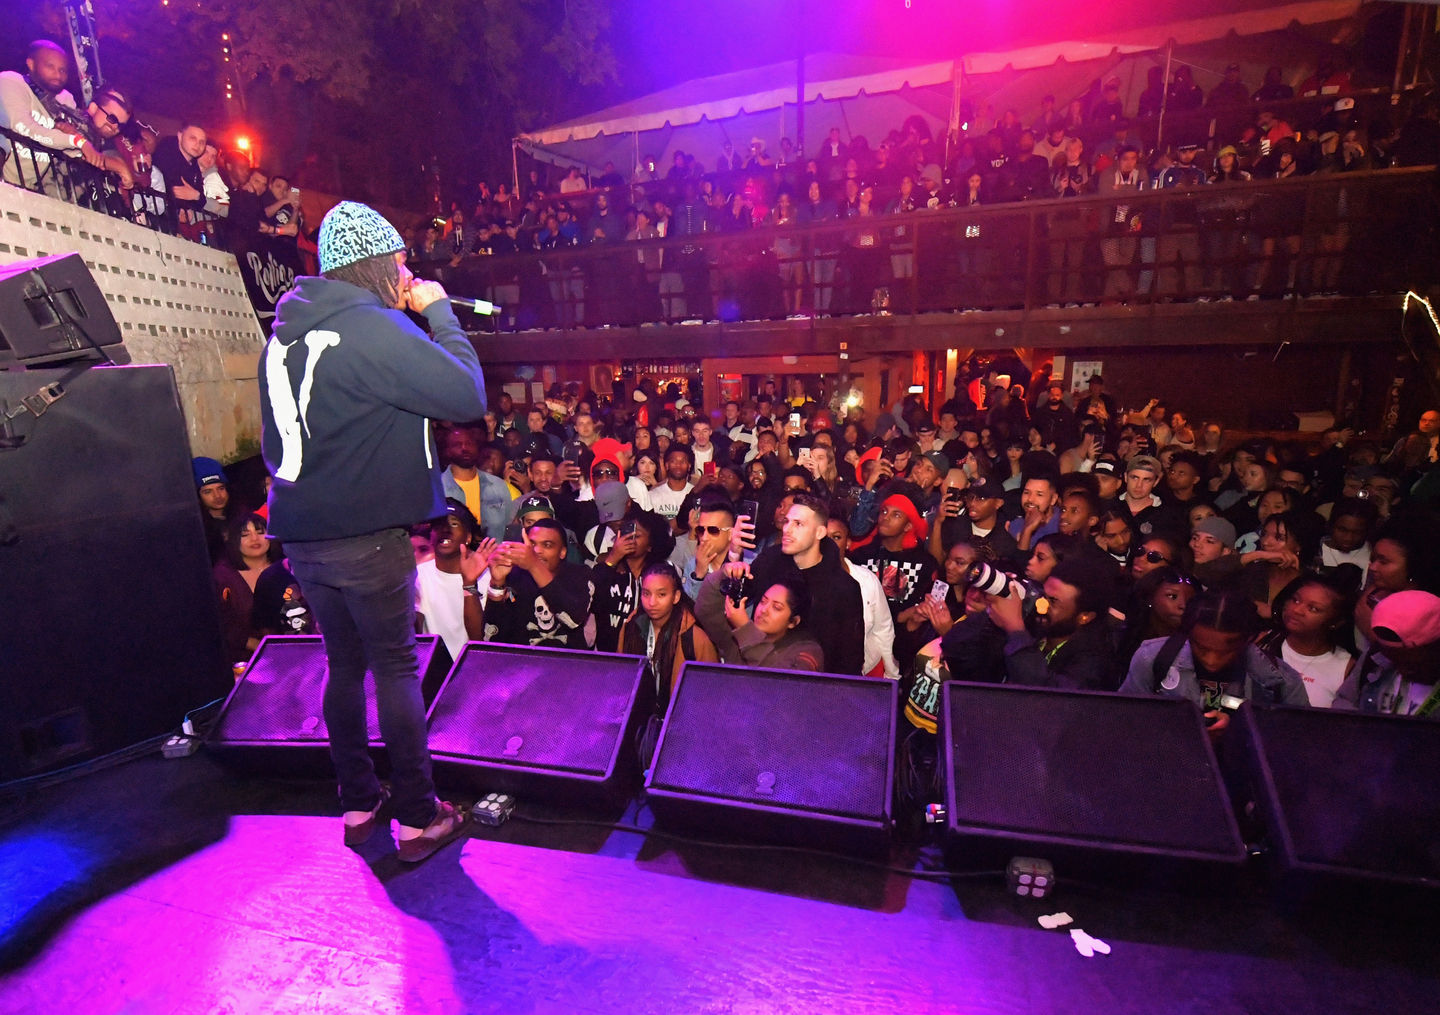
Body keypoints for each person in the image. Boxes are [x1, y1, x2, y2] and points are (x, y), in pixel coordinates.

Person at [258, 201, 485, 861]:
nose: (408, 273)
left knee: (343, 664)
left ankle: (358, 803)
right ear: (381, 264)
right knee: (392, 666)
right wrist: (437, 310)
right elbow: (466, 395)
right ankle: (417, 817)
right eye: (402, 262)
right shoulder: (374, 328)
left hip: (302, 535)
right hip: (365, 534)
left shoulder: (286, 332)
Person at [1121, 589, 1309, 733]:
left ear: (1248, 640)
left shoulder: (1282, 680)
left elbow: (1297, 740)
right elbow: (1127, 719)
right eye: (1201, 648)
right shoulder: (1152, 658)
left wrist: (1238, 731)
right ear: (1188, 634)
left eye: (1226, 651)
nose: (1211, 660)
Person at [716, 494, 865, 675]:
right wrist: (734, 555)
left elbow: (850, 659)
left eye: (798, 524)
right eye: (787, 522)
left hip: (812, 690)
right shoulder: (770, 560)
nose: (787, 529)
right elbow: (735, 599)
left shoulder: (843, 588)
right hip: (757, 673)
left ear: (819, 533)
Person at [986, 556, 1118, 691]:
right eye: (1042, 593)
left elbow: (1049, 697)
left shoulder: (1093, 662)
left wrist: (1015, 629)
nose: (1040, 604)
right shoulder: (1035, 627)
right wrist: (994, 602)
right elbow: (968, 659)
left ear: (1085, 617)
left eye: (1053, 601)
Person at [847, 490, 938, 670]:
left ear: (907, 526)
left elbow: (919, 610)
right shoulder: (860, 557)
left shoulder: (924, 563)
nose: (886, 517)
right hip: (862, 644)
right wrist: (902, 615)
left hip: (903, 650)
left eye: (896, 514)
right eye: (884, 511)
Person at [482, 518, 595, 650]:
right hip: (524, 667)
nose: (536, 550)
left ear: (562, 552)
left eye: (547, 545)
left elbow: (573, 620)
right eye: (532, 544)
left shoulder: (579, 574)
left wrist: (534, 565)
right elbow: (492, 639)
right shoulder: (515, 578)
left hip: (568, 666)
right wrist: (497, 583)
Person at [1256, 571, 1359, 708]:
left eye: (1313, 608)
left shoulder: (1347, 668)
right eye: (1295, 600)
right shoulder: (1260, 642)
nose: (1297, 610)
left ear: (1336, 622)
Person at [1335, 590, 1440, 717]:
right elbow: (1344, 700)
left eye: (1409, 662)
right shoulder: (1374, 658)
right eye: (1392, 657)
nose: (1401, 668)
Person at [591, 510, 673, 653]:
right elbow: (592, 600)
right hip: (608, 656)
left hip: (648, 655)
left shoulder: (661, 574)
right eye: (626, 533)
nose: (630, 539)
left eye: (637, 536)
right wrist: (612, 560)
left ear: (651, 545)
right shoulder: (609, 569)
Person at [214, 513, 282, 663]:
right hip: (245, 659)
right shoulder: (222, 576)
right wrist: (260, 647)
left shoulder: (286, 568)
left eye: (260, 532)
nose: (254, 539)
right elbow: (221, 625)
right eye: (245, 534)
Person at [193, 456, 237, 564]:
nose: (217, 496)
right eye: (208, 492)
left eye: (221, 488)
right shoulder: (197, 530)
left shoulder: (242, 516)